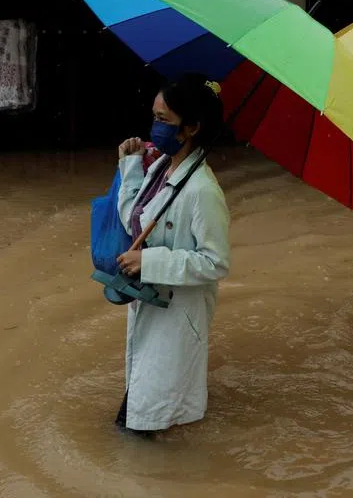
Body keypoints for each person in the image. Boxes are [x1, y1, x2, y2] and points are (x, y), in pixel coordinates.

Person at [113, 73, 231, 434]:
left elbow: (216, 262)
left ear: (191, 128)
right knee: (140, 407)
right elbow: (135, 219)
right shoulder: (162, 166)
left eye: (164, 120)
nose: (155, 127)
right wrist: (131, 164)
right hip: (150, 301)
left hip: (179, 314)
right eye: (154, 117)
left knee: (145, 419)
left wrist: (150, 262)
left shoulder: (202, 191)